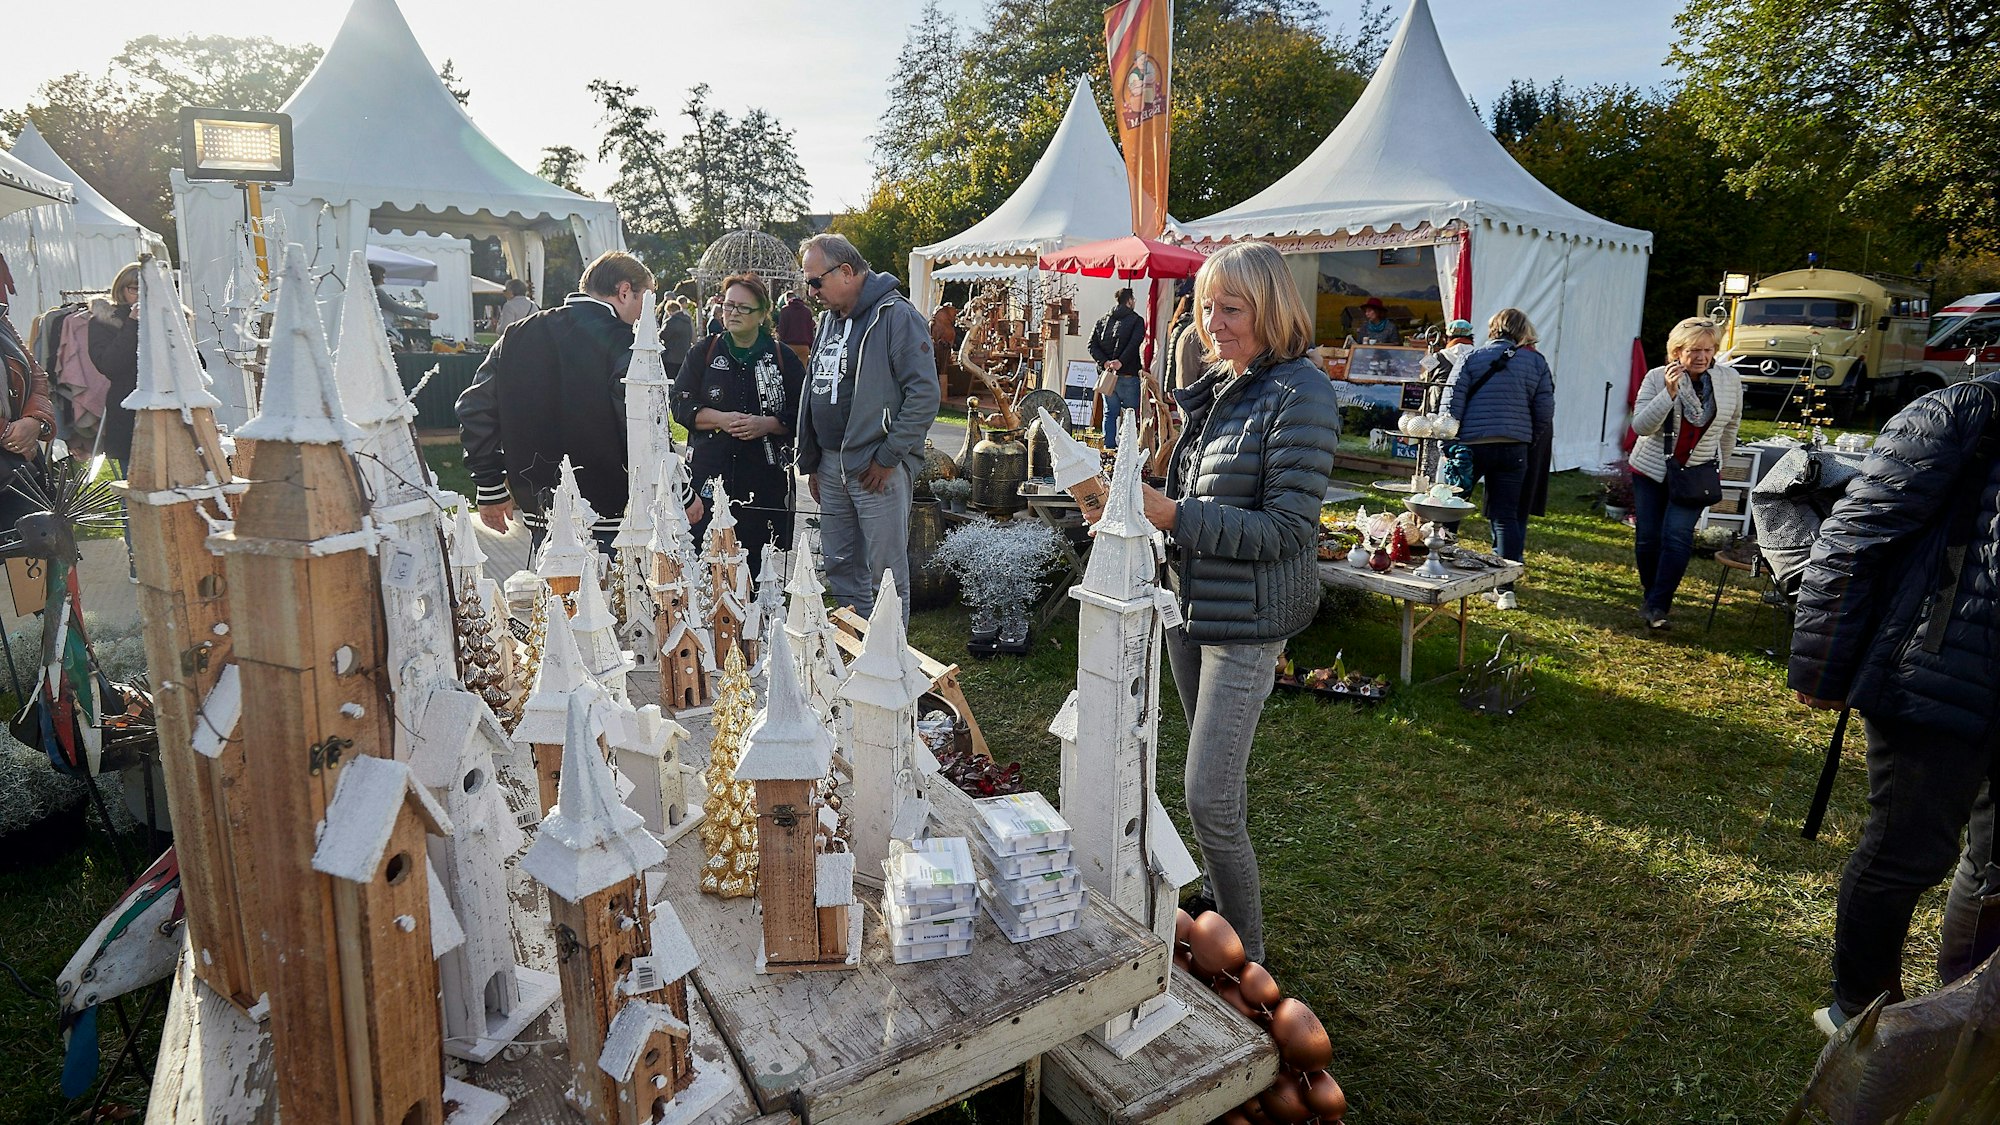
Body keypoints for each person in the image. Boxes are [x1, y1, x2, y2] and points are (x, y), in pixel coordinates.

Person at [1131, 240, 1338, 965]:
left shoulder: (1301, 394)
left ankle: (1248, 961)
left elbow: (1286, 529)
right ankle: (1223, 909)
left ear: (1273, 308)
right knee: (1213, 778)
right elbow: (1205, 489)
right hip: (1198, 602)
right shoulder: (1230, 382)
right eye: (1206, 307)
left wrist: (1171, 516)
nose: (1213, 323)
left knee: (1207, 795)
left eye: (1232, 308)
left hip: (1247, 616)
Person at [1789, 371, 2000, 1036]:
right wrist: (1822, 663)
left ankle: (1965, 1008)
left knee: (1994, 862)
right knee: (1906, 852)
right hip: (1935, 668)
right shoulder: (1965, 410)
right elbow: (1854, 536)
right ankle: (1857, 1006)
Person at [456, 250, 654, 550]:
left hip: (539, 503)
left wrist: (490, 484)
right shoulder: (627, 342)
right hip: (614, 510)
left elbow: (476, 408)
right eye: (646, 300)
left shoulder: (516, 334)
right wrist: (678, 489)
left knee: (556, 593)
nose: (644, 314)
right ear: (625, 291)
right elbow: (643, 425)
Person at [794, 232, 940, 618]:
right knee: (841, 564)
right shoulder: (828, 319)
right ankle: (852, 653)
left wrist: (890, 456)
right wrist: (815, 461)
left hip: (877, 467)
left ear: (845, 271)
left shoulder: (897, 316)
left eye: (815, 281)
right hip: (831, 464)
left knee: (885, 575)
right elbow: (818, 386)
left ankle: (890, 666)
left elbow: (924, 395)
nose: (811, 291)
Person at [672, 273, 804, 581]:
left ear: (762, 313)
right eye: (727, 305)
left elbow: (803, 411)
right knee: (705, 566)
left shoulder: (782, 357)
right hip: (709, 478)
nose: (732, 313)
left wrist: (768, 424)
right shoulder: (703, 353)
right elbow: (679, 404)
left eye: (743, 308)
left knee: (757, 570)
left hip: (762, 481)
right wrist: (719, 418)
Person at [1627, 317, 1742, 630]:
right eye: (1694, 350)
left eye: (1708, 349)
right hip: (1652, 470)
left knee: (1677, 538)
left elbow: (1731, 426)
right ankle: (1651, 594)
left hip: (1695, 473)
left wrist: (1718, 464)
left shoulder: (1729, 380)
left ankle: (1658, 606)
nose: (1702, 357)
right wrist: (1669, 392)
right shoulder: (1655, 378)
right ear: (1676, 352)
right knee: (1649, 539)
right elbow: (1641, 427)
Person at [1444, 308, 1554, 611]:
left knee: (1451, 507)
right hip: (1513, 448)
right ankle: (1505, 590)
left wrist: (1448, 442)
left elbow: (1452, 401)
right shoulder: (1537, 362)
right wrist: (1527, 436)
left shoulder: (1470, 357)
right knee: (1506, 517)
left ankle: (1441, 569)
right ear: (1523, 331)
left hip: (1471, 444)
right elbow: (1544, 410)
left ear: (1492, 329)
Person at [86, 263, 142, 468]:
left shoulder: (166, 317)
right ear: (122, 290)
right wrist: (133, 323)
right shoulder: (104, 321)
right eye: (134, 289)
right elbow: (110, 365)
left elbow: (197, 363)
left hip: (170, 411)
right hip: (128, 413)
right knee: (136, 484)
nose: (140, 295)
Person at [1088, 287, 1146, 449]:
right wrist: (1120, 361)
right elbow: (1135, 343)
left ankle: (1109, 448)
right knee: (1130, 415)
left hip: (1108, 376)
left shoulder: (1102, 321)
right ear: (1129, 301)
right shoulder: (1137, 321)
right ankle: (1128, 449)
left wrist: (1105, 362)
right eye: (1133, 300)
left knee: (1110, 414)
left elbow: (1091, 345)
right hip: (1128, 374)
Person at [371, 263, 438, 348]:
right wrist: (424, 315)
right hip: (384, 329)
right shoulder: (378, 292)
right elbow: (397, 308)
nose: (384, 279)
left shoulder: (372, 291)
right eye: (382, 276)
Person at [776, 289, 815, 365]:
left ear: (787, 299)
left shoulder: (785, 310)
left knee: (789, 373)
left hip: (788, 346)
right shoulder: (807, 311)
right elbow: (811, 330)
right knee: (803, 373)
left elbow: (782, 329)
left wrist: (780, 342)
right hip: (804, 346)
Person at [659, 298, 695, 373]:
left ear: (670, 311)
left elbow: (663, 336)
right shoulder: (687, 321)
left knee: (670, 380)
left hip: (671, 358)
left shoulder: (671, 321)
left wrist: (658, 332)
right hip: (684, 356)